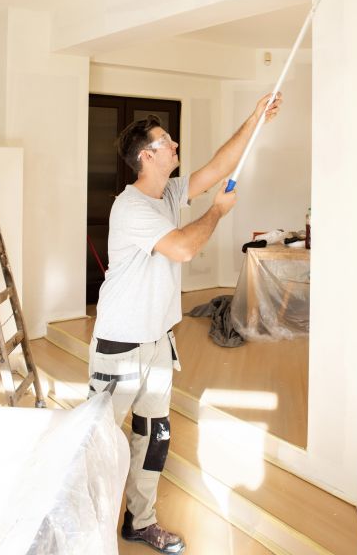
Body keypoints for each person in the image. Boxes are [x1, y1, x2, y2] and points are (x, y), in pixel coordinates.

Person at [88, 92, 282, 554]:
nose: (174, 144)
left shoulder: (169, 194)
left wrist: (254, 118)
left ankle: (140, 521)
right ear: (146, 156)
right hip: (120, 344)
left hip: (156, 341)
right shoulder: (131, 207)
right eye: (166, 141)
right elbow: (183, 248)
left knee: (153, 435)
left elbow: (218, 165)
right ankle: (85, 528)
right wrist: (216, 211)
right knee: (97, 442)